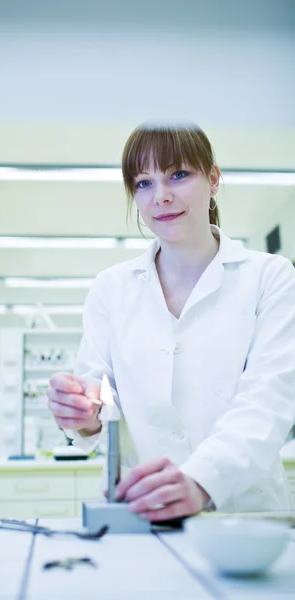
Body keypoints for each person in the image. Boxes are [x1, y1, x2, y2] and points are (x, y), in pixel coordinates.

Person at [46, 121, 295, 520]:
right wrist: (79, 411)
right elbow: (96, 396)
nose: (161, 197)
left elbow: (270, 400)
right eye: (143, 183)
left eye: (178, 175)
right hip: (139, 509)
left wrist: (202, 480)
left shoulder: (270, 277)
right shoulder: (111, 288)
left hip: (244, 513)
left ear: (213, 180)